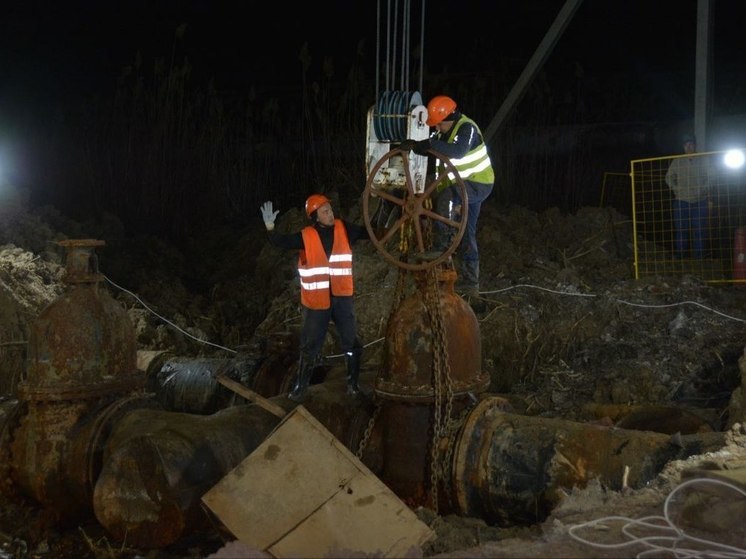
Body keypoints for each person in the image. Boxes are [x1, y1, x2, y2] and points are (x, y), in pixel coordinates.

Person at [260, 194, 369, 401]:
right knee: (310, 345)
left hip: (342, 298)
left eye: (330, 209)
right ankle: (300, 388)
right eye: (325, 211)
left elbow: (369, 233)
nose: (330, 214)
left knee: (351, 342)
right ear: (315, 216)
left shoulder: (344, 228)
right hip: (317, 302)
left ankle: (353, 386)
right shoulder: (306, 236)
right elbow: (280, 242)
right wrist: (270, 227)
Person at [401, 95, 495, 300]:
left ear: (447, 120)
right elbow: (435, 149)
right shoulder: (445, 133)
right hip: (464, 187)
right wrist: (415, 146)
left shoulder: (466, 128)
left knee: (445, 198)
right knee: (467, 233)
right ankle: (471, 286)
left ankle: (442, 246)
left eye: (438, 125)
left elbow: (457, 152)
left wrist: (427, 144)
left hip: (479, 183)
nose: (437, 129)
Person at [665, 133, 712, 259]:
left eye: (691, 144)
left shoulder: (703, 159)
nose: (689, 147)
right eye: (686, 145)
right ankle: (680, 257)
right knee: (681, 230)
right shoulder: (677, 161)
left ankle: (699, 258)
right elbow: (668, 177)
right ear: (683, 147)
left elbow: (711, 177)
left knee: (700, 230)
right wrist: (676, 189)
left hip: (700, 201)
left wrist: (702, 189)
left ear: (695, 145)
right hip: (681, 200)